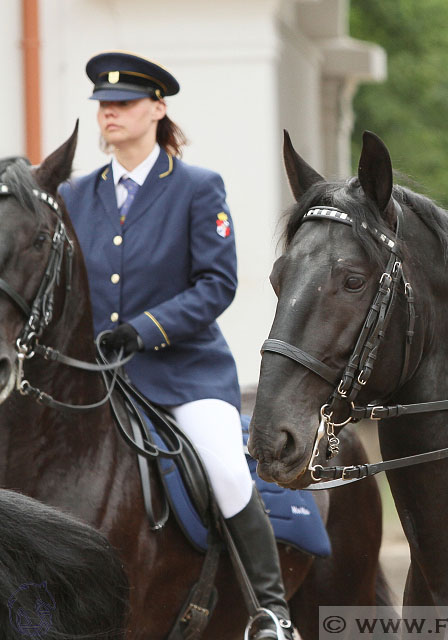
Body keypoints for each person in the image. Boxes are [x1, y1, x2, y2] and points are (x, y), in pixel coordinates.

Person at [60, 51, 292, 640]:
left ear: (158, 110)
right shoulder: (75, 194)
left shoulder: (195, 187)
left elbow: (216, 284)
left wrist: (146, 328)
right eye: (103, 106)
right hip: (95, 375)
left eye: (124, 104)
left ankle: (270, 610)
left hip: (182, 372)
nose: (109, 114)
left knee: (225, 470)